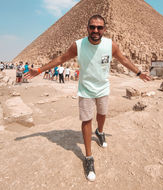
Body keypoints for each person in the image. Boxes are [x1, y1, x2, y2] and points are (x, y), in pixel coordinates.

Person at [25, 14, 151, 182]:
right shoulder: (78, 45)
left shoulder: (111, 45)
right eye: (92, 27)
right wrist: (40, 70)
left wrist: (139, 73)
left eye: (99, 27)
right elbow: (61, 58)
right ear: (87, 28)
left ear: (104, 29)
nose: (95, 30)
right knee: (86, 120)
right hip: (85, 89)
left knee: (102, 115)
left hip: (103, 87)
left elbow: (123, 60)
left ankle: (100, 132)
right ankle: (89, 157)